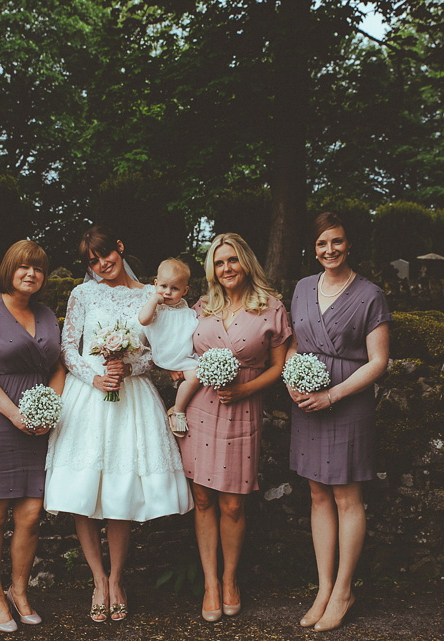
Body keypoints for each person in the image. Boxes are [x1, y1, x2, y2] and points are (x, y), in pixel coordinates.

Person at [43, 225, 193, 623]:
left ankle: (117, 578)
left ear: (120, 248)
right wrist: (94, 377)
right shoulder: (82, 294)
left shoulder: (152, 294)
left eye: (104, 255)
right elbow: (67, 349)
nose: (100, 265)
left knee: (121, 492)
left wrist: (128, 366)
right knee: (84, 491)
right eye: (91, 261)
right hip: (88, 398)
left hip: (131, 399)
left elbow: (156, 355)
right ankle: (98, 580)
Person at [176, 232, 291, 622]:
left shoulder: (270, 307)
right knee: (204, 499)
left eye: (232, 260)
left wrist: (244, 390)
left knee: (233, 503)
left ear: (246, 262)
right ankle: (209, 583)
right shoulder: (201, 307)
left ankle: (230, 579)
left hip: (243, 408)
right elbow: (180, 349)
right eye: (219, 262)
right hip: (201, 410)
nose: (226, 268)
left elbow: (278, 367)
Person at [286, 212, 391, 632]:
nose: (329, 250)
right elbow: (292, 345)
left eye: (337, 242)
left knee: (347, 497)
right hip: (306, 402)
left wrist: (333, 393)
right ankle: (323, 587)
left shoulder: (370, 294)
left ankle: (345, 589)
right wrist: (293, 383)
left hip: (347, 403)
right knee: (317, 495)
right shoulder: (301, 288)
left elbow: (379, 361)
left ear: (349, 244)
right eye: (321, 244)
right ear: (313, 249)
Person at [0, 240, 64, 632]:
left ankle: (19, 591)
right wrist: (16, 414)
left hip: (38, 425)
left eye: (38, 268)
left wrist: (48, 408)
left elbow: (58, 367)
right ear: (9, 268)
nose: (31, 274)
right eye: (23, 266)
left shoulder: (48, 314)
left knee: (31, 514)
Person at [137, 257, 200, 436]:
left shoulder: (184, 308)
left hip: (183, 355)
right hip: (164, 355)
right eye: (163, 286)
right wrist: (153, 300)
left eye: (175, 288)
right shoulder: (155, 307)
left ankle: (177, 410)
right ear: (155, 284)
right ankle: (178, 411)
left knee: (194, 377)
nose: (167, 292)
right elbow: (143, 320)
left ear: (185, 290)